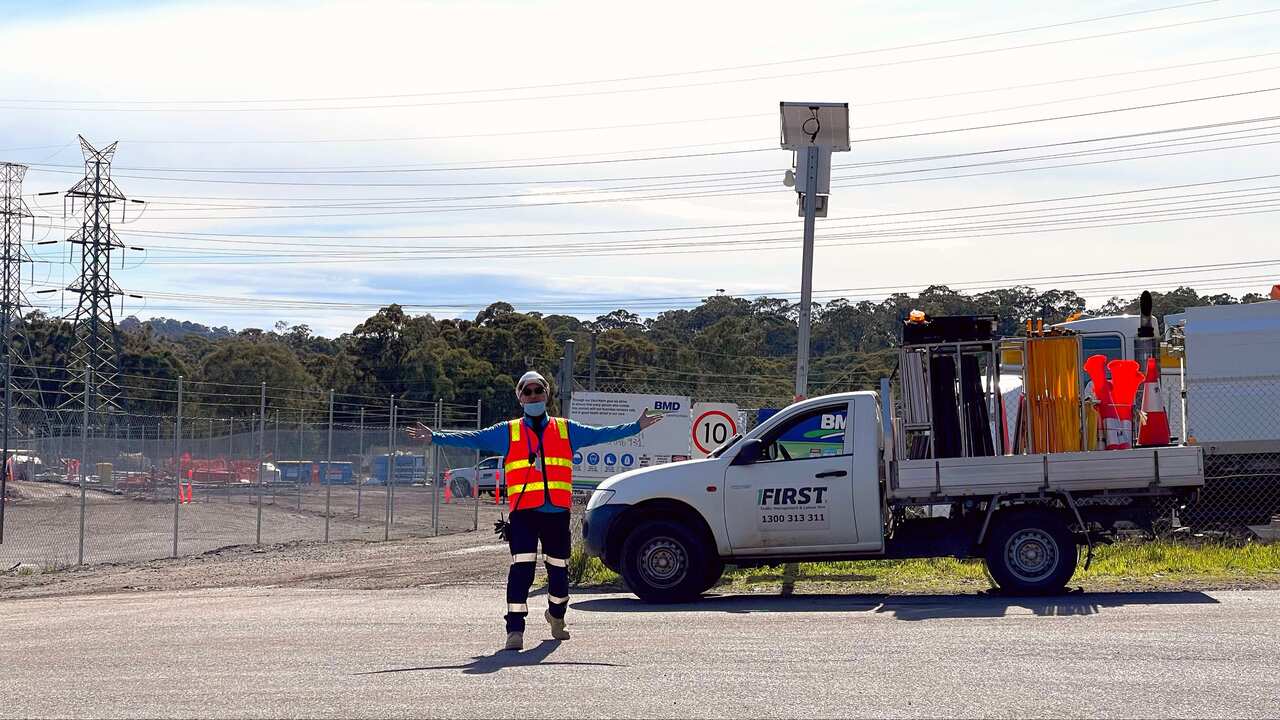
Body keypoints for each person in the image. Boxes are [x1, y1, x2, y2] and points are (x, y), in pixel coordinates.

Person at [408, 370, 663, 651]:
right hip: (524, 514)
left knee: (558, 571)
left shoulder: (566, 429)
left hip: (556, 513)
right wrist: (435, 438)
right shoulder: (507, 431)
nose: (533, 396)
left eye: (537, 390)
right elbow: (474, 438)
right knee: (522, 570)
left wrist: (636, 427)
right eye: (527, 392)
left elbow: (601, 434)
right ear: (520, 398)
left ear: (546, 394)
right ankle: (515, 629)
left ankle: (556, 617)